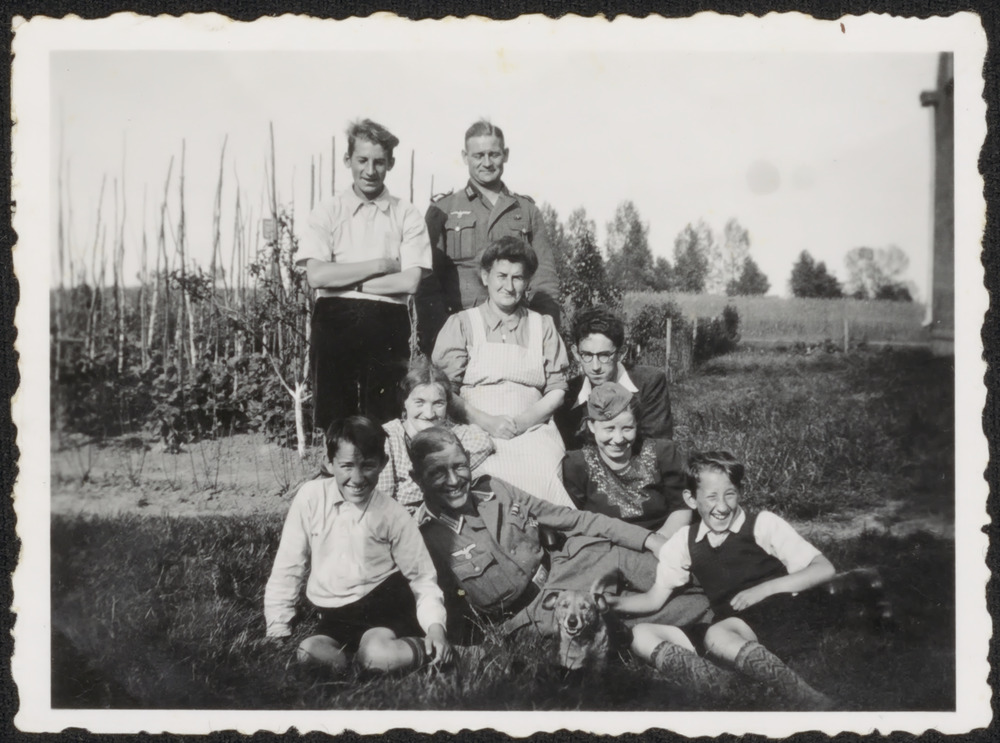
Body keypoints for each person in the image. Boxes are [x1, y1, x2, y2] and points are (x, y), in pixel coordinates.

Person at [409, 427, 711, 644]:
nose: (453, 480)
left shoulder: (494, 488)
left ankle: (720, 585)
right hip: (535, 613)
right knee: (624, 615)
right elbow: (440, 608)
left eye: (459, 466)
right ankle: (717, 617)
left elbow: (571, 518)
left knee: (633, 554)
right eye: (437, 472)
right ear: (417, 479)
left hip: (566, 568)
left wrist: (650, 540)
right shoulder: (426, 539)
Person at [611, 450, 839, 709]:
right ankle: (722, 686)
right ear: (691, 499)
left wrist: (765, 589)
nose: (722, 506)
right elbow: (654, 599)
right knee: (641, 634)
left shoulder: (762, 524)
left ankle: (805, 697)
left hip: (780, 615)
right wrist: (611, 603)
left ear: (739, 492)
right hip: (733, 626)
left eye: (730, 494)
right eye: (711, 497)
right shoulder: (684, 541)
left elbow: (823, 568)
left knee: (717, 633)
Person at [263, 416, 452, 676]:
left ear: (383, 463)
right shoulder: (310, 497)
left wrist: (435, 628)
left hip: (383, 608)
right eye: (347, 466)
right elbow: (288, 565)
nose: (357, 477)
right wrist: (277, 629)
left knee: (377, 656)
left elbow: (422, 578)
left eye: (368, 465)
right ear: (329, 463)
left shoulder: (393, 514)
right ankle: (355, 663)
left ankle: (440, 652)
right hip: (334, 616)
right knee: (309, 654)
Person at [297, 118, 432, 431]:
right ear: (348, 160)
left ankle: (384, 464)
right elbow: (317, 276)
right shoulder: (328, 210)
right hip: (334, 319)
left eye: (379, 162)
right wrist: (379, 265)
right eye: (362, 160)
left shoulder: (406, 213)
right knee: (335, 420)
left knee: (384, 420)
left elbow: (409, 281)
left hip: (388, 321)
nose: (370, 171)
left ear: (390, 164)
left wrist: (344, 279)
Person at [432, 236, 573, 508]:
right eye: (501, 276)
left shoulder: (542, 326)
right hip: (476, 428)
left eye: (517, 278)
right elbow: (445, 391)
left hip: (533, 431)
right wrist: (487, 422)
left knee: (543, 472)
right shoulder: (463, 324)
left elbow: (557, 390)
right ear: (485, 277)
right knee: (487, 478)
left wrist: (521, 423)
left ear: (527, 282)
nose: (508, 286)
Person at [417, 120, 560, 354]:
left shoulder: (526, 211)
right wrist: (438, 336)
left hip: (517, 332)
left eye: (494, 154)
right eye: (478, 155)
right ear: (465, 157)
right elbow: (427, 280)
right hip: (460, 331)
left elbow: (544, 279)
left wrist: (544, 333)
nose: (486, 163)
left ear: (506, 154)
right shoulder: (443, 209)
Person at [562, 382, 691, 537]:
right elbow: (576, 520)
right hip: (604, 546)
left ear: (637, 424)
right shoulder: (576, 464)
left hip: (663, 542)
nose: (618, 439)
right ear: (591, 426)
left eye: (627, 428)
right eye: (609, 429)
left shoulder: (662, 453)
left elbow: (681, 508)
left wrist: (656, 542)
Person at [378, 357, 495, 515]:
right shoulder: (387, 438)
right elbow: (380, 502)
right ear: (405, 402)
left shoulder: (453, 434)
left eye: (438, 403)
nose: (429, 413)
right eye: (419, 402)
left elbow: (483, 442)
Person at [554, 307, 674, 450]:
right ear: (576, 353)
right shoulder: (567, 394)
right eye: (587, 355)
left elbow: (658, 447)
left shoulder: (649, 382)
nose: (595, 367)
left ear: (621, 353)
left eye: (604, 355)